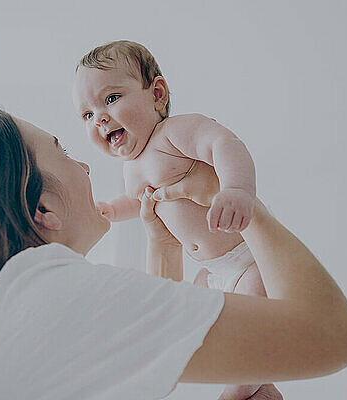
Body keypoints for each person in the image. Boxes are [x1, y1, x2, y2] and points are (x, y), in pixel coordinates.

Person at [0, 108, 347, 400]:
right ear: (42, 207)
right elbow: (334, 336)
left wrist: (162, 242)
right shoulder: (38, 290)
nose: (87, 165)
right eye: (63, 151)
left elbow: (157, 343)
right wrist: (251, 211)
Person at [72, 40, 271, 398]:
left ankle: (239, 390)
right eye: (86, 114)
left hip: (247, 260)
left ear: (157, 94)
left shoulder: (175, 133)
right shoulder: (132, 169)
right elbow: (137, 202)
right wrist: (113, 211)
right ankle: (261, 389)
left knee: (251, 325)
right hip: (212, 271)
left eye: (111, 98)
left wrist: (238, 190)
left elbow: (225, 144)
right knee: (191, 326)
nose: (99, 117)